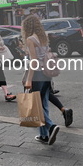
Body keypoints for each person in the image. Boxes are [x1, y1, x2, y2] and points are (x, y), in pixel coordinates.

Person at [22, 15, 63, 145]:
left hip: (38, 75)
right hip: (47, 74)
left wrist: (28, 79)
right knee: (43, 104)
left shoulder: (30, 39)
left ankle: (51, 126)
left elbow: (34, 61)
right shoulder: (43, 36)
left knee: (36, 106)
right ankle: (43, 135)